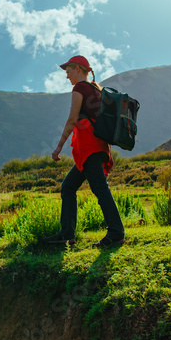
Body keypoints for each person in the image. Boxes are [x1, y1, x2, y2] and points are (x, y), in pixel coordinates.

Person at [45, 55, 125, 249]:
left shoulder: (79, 88)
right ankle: (67, 234)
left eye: (68, 71)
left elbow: (72, 119)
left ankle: (116, 233)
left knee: (99, 188)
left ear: (78, 69)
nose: (67, 76)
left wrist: (58, 147)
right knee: (69, 187)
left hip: (88, 146)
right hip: (98, 146)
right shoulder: (97, 89)